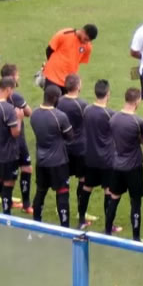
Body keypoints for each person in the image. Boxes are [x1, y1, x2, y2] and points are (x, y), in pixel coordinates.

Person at [80, 80, 121, 233]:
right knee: (108, 190)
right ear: (108, 93)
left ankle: (81, 220)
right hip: (106, 159)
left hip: (90, 156)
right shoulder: (110, 114)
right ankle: (109, 227)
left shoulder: (87, 110)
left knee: (87, 187)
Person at [30, 86, 73, 227]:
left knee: (40, 192)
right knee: (62, 193)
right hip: (58, 162)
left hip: (41, 161)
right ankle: (65, 227)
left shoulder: (34, 114)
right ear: (55, 98)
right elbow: (70, 137)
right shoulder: (60, 116)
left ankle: (36, 223)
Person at [107, 88, 143, 241]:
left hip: (117, 165)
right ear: (137, 101)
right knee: (135, 202)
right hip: (134, 166)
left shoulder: (113, 118)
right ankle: (136, 238)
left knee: (114, 198)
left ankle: (108, 232)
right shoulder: (138, 122)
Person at [57, 74, 93, 228]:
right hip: (79, 149)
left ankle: (64, 221)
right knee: (83, 180)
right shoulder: (82, 104)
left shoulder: (58, 102)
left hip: (63, 149)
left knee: (64, 183)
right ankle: (81, 218)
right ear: (78, 86)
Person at [0, 77, 23, 214]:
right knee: (8, 185)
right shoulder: (8, 109)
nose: (12, 93)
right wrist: (19, 118)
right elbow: (15, 133)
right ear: (8, 89)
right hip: (8, 155)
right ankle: (6, 215)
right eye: (12, 89)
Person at [1, 64, 33, 213]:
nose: (19, 77)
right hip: (17, 138)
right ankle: (25, 204)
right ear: (12, 78)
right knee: (25, 169)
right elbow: (29, 112)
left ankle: (6, 202)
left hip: (1, 140)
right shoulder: (15, 97)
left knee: (4, 175)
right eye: (17, 74)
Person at [42, 24, 98, 94]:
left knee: (65, 104)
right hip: (53, 77)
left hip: (69, 82)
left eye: (89, 41)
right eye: (85, 39)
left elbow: (78, 61)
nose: (86, 42)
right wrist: (51, 66)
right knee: (50, 103)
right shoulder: (64, 34)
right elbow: (49, 50)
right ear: (82, 31)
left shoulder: (88, 47)